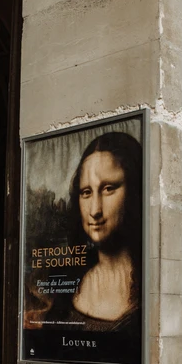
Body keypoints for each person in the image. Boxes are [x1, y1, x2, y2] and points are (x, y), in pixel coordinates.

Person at [47, 129, 142, 332]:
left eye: (108, 188)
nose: (95, 210)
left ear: (133, 191)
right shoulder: (69, 283)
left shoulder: (147, 286)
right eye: (86, 192)